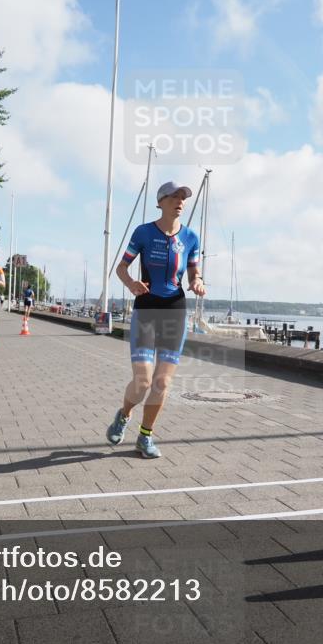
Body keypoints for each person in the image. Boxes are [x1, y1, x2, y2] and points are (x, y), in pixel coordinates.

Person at [105, 181, 206, 458]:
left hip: (174, 310)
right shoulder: (144, 232)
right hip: (147, 308)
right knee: (143, 382)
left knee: (162, 383)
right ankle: (124, 415)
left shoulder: (191, 237)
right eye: (174, 196)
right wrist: (131, 283)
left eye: (183, 197)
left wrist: (197, 282)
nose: (180, 201)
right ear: (160, 202)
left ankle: (145, 436)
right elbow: (121, 267)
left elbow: (194, 271)